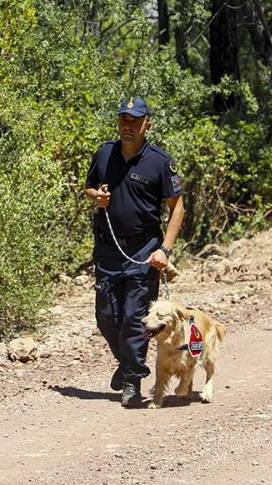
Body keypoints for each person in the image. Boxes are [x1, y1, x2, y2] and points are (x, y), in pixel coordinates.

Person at [84, 97, 185, 407]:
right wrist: (96, 196)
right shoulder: (104, 153)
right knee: (105, 316)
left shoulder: (159, 161)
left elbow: (177, 207)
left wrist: (165, 251)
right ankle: (127, 364)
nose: (128, 126)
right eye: (123, 121)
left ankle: (132, 382)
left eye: (135, 121)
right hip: (108, 249)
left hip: (144, 249)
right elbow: (88, 186)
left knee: (134, 317)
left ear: (147, 125)